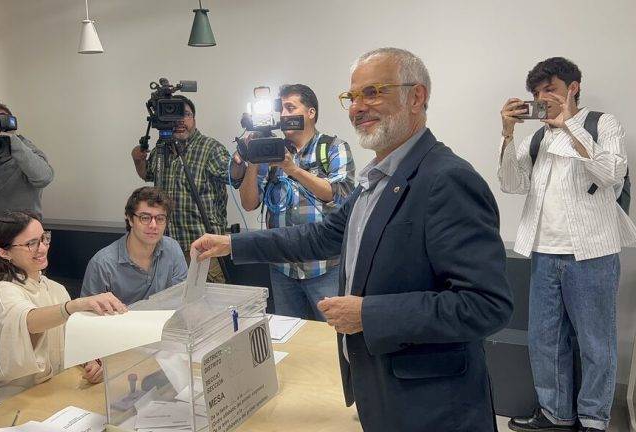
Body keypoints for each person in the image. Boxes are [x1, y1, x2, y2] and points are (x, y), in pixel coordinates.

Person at [192, 47, 513, 431]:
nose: (358, 106)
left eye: (374, 92)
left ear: (417, 97)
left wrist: (367, 313)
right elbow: (321, 235)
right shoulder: (378, 180)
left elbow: (486, 305)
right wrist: (233, 245)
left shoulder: (446, 179)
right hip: (382, 390)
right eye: (352, 96)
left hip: (432, 406)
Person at [499, 57, 635, 432]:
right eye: (538, 93)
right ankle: (555, 413)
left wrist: (570, 127)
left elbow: (611, 173)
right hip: (543, 250)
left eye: (551, 90)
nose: (544, 99)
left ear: (573, 87)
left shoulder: (601, 123)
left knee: (596, 344)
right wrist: (508, 134)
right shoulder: (538, 136)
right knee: (544, 340)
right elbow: (511, 183)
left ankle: (593, 420)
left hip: (592, 252)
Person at [0, 210, 126, 407]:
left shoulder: (55, 289)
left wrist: (89, 362)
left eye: (43, 239)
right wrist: (74, 306)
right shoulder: (0, 291)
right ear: (4, 252)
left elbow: (70, 343)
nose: (42, 248)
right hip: (7, 404)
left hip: (49, 392)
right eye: (31, 244)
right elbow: (29, 321)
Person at [238, 84, 354, 320]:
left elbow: (339, 193)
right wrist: (252, 161)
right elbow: (249, 203)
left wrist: (292, 169)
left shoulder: (332, 147)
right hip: (282, 267)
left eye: (291, 107)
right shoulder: (270, 150)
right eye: (281, 109)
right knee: (290, 340)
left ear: (311, 112)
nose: (284, 115)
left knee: (329, 340)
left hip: (324, 267)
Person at [131, 96, 245, 283]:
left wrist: (240, 161)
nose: (180, 121)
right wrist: (138, 160)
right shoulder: (161, 148)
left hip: (203, 247)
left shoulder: (210, 148)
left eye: (186, 115)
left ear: (194, 118)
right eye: (175, 116)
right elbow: (148, 175)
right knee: (172, 303)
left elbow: (234, 176)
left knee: (208, 305)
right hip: (166, 247)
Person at [0, 102, 54, 295]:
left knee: (28, 309)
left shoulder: (24, 152)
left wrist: (11, 141)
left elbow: (44, 176)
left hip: (26, 253)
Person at [80, 187, 187, 303]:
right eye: (145, 218)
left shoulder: (173, 249)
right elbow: (88, 316)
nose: (153, 225)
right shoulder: (103, 264)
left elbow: (182, 300)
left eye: (160, 218)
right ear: (130, 219)